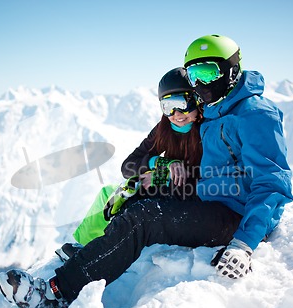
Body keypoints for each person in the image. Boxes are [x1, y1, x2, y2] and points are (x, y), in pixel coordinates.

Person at [0, 34, 293, 308]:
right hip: (211, 198)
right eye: (194, 76)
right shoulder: (216, 109)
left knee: (145, 217)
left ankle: (54, 293)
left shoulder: (254, 114)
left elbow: (272, 183)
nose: (200, 84)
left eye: (207, 72)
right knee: (137, 194)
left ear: (230, 70)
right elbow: (206, 170)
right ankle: (94, 255)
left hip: (236, 217)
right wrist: (159, 175)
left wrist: (244, 244)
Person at [62, 67, 203, 253]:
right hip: (166, 189)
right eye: (168, 107)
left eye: (182, 103)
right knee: (109, 193)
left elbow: (208, 173)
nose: (176, 114)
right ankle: (85, 247)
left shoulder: (206, 130)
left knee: (127, 200)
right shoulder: (163, 129)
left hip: (191, 196)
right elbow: (128, 165)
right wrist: (161, 164)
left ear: (196, 100)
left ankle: (102, 250)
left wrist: (162, 178)